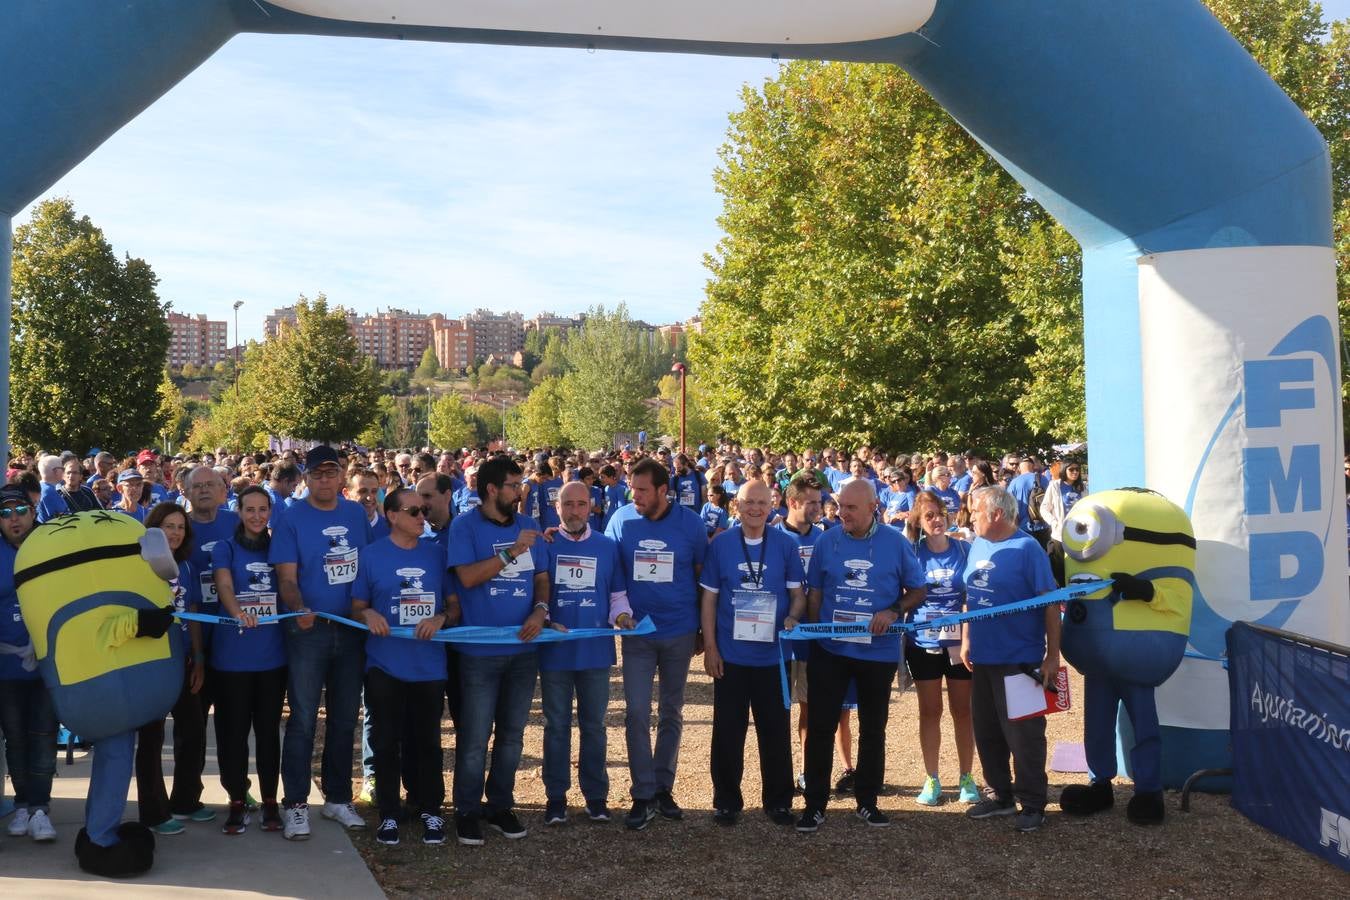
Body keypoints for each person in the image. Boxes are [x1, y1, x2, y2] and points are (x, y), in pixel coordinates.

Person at [797, 480, 926, 833]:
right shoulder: (827, 540)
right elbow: (815, 593)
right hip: (831, 649)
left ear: (873, 508)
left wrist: (894, 611)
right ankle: (815, 805)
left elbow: (918, 589)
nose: (842, 513)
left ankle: (867, 801)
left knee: (874, 728)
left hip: (877, 652)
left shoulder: (895, 543)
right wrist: (813, 637)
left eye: (851, 508)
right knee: (821, 726)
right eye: (840, 506)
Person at [271, 444, 372, 841]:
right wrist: (299, 607)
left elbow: (366, 568)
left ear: (342, 476)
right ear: (306, 478)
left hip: (350, 630)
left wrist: (365, 611)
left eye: (332, 473)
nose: (325, 480)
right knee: (302, 720)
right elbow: (286, 577)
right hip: (308, 632)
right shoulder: (292, 518)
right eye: (317, 474)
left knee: (346, 718)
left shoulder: (354, 514)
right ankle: (295, 803)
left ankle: (338, 797)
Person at [447, 455, 549, 846]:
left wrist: (541, 611)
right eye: (513, 484)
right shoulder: (465, 527)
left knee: (512, 735)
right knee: (474, 737)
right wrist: (510, 553)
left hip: (523, 651)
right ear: (492, 489)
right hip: (479, 654)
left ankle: (499, 804)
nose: (520, 490)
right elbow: (468, 578)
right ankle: (467, 810)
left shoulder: (529, 525)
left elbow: (541, 578)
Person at [605, 457, 707, 831]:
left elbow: (701, 578)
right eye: (632, 488)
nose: (635, 496)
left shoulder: (691, 525)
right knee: (635, 713)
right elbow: (610, 572)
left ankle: (663, 787)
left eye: (643, 490)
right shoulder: (620, 520)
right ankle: (642, 792)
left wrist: (700, 630)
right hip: (638, 635)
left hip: (680, 631)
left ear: (664, 491)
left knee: (671, 712)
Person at [354, 488, 459, 847]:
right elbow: (356, 605)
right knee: (385, 742)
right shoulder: (370, 556)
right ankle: (388, 812)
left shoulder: (437, 554)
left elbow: (455, 606)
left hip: (428, 665)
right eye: (413, 510)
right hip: (385, 663)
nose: (421, 516)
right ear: (392, 516)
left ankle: (430, 808)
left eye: (424, 509)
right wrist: (366, 613)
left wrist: (441, 618)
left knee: (427, 742)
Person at [700, 481, 806, 827]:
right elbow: (710, 599)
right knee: (728, 731)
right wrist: (711, 647)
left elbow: (798, 595)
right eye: (749, 503)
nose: (756, 509)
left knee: (775, 731)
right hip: (731, 654)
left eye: (762, 502)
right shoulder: (722, 545)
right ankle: (726, 801)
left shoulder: (786, 545)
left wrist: (793, 615)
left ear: (772, 505)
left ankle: (778, 802)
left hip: (773, 657)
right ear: (737, 506)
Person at [961, 485, 1061, 833]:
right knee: (987, 730)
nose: (970, 516)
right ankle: (1000, 794)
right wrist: (967, 638)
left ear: (996, 514)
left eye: (975, 511)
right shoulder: (977, 543)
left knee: (1024, 735)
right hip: (984, 656)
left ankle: (1033, 802)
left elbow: (1050, 602)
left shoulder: (1027, 549)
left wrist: (1052, 655)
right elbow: (971, 596)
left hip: (1020, 657)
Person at [539, 481, 635, 826]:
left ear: (591, 507)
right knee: (556, 726)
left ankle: (596, 797)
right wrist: (546, 621)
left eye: (581, 504)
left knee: (594, 726)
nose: (575, 510)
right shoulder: (545, 545)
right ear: (557, 507)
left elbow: (617, 596)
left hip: (596, 653)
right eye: (569, 504)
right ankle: (555, 798)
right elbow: (537, 595)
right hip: (555, 654)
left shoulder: (607, 547)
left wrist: (623, 617)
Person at [210, 485, 287, 835]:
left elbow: (289, 583)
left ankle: (271, 800)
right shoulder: (225, 548)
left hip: (272, 658)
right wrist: (238, 612)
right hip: (231, 660)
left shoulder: (279, 546)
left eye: (263, 509)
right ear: (238, 512)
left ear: (270, 512)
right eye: (250, 509)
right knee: (233, 734)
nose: (257, 516)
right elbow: (224, 586)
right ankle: (237, 800)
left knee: (269, 733)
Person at [135, 502, 210, 834]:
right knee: (151, 738)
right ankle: (153, 812)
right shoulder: (139, 566)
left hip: (183, 661)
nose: (176, 533)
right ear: (154, 529)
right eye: (169, 526)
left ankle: (186, 801)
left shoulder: (188, 567)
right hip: (150, 664)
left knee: (192, 732)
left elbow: (192, 610)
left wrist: (199, 658)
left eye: (180, 527)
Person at [904, 491, 978, 806]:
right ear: (919, 522)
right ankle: (932, 778)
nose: (936, 520)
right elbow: (904, 590)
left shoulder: (964, 548)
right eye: (929, 516)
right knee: (930, 711)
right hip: (922, 641)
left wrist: (967, 636)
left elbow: (971, 594)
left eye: (939, 513)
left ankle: (966, 776)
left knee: (963, 711)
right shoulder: (912, 553)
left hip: (958, 641)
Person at [0, 485, 58, 843]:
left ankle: (40, 809)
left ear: (33, 510)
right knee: (15, 739)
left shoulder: (51, 545)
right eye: (4, 513)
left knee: (43, 736)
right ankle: (22, 805)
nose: (13, 519)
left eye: (19, 509)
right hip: (6, 668)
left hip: (48, 663)